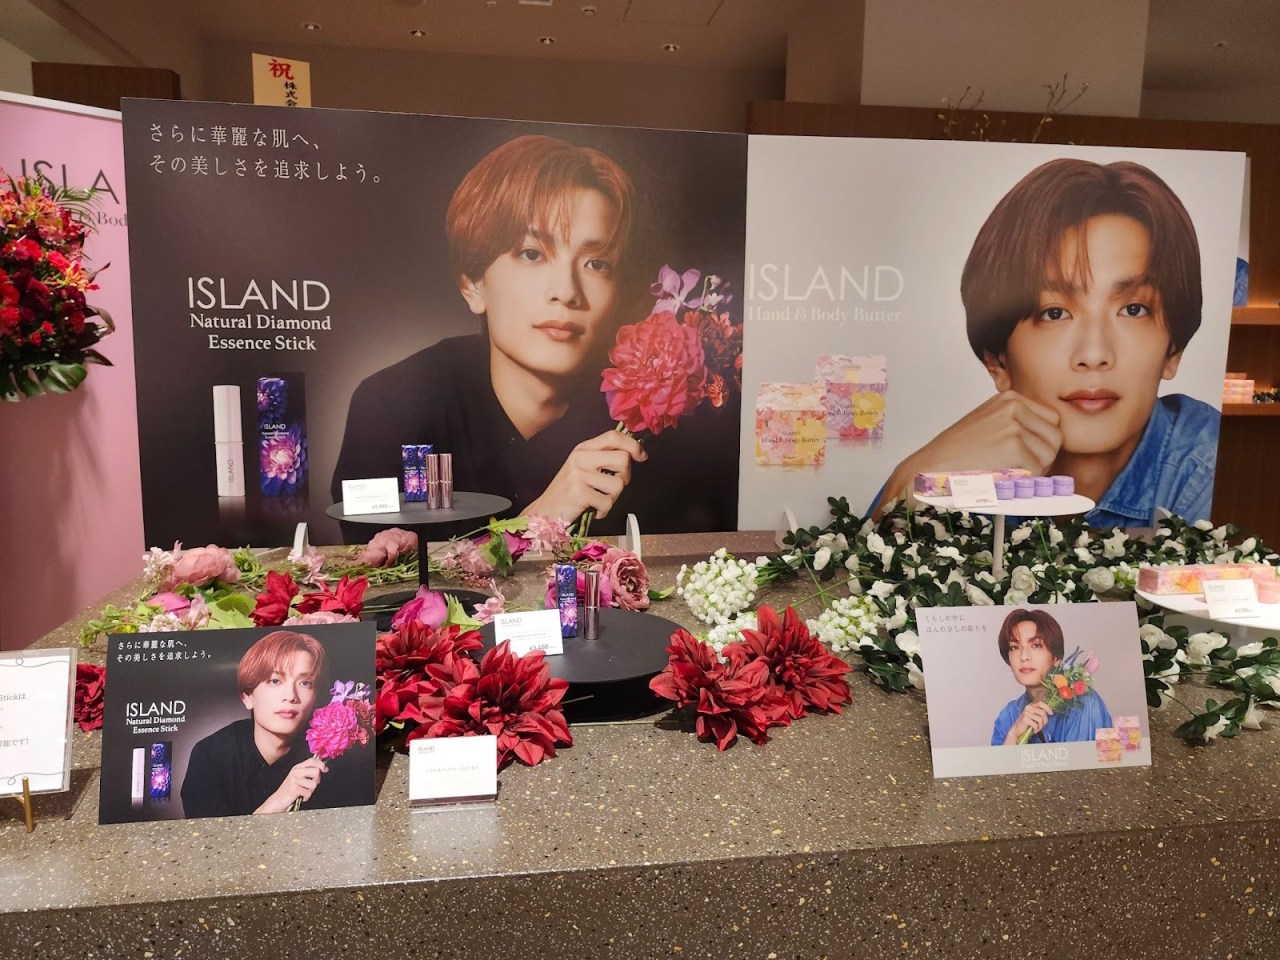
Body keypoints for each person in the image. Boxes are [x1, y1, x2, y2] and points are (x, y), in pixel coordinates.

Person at [333, 135, 664, 533]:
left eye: (596, 263)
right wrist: (541, 519)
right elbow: (379, 580)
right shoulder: (390, 405)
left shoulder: (643, 421)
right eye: (532, 254)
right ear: (473, 283)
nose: (567, 291)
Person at [877, 159, 1217, 527]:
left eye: (1133, 309)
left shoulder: (1207, 466)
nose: (1094, 355)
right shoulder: (962, 473)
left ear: (1174, 350)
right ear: (998, 361)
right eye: (1055, 313)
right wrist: (915, 478)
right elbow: (845, 581)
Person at [181, 630, 353, 817]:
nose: (291, 696)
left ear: (315, 698)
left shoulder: (329, 756)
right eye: (275, 681)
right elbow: (210, 844)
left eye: (305, 683)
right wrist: (276, 802)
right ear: (247, 697)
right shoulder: (210, 755)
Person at [990, 609, 1111, 746]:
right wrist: (1013, 735)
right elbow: (998, 767)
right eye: (1014, 647)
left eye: (1036, 645)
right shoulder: (1008, 715)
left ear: (1056, 658)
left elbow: (1081, 765)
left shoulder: (1084, 703)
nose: (1023, 656)